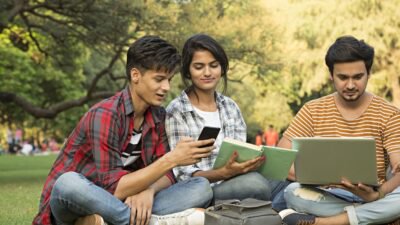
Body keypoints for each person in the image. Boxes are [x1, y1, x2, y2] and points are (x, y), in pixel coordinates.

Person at [32, 36, 215, 225]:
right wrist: (173, 159)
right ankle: (154, 222)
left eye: (169, 80)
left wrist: (148, 190)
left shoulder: (159, 116)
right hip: (81, 200)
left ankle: (108, 221)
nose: (166, 88)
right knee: (67, 183)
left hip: (122, 201)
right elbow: (113, 188)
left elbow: (167, 175)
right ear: (135, 75)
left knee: (201, 187)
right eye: (159, 79)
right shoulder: (105, 114)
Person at [278, 36, 400, 225]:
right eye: (343, 77)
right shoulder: (313, 110)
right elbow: (282, 158)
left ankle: (327, 222)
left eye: (358, 77)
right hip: (328, 195)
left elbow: (397, 166)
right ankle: (378, 217)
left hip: (374, 195)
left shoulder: (389, 113)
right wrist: (316, 175)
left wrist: (378, 194)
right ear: (331, 75)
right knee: (292, 192)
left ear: (369, 73)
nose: (350, 85)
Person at [165, 34, 289, 209]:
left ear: (222, 69)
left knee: (289, 185)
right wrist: (222, 173)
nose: (207, 73)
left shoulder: (230, 107)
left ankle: (266, 214)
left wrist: (251, 162)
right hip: (206, 189)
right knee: (255, 185)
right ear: (187, 71)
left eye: (214, 66)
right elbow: (183, 174)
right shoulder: (177, 111)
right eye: (199, 67)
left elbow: (241, 151)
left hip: (238, 179)